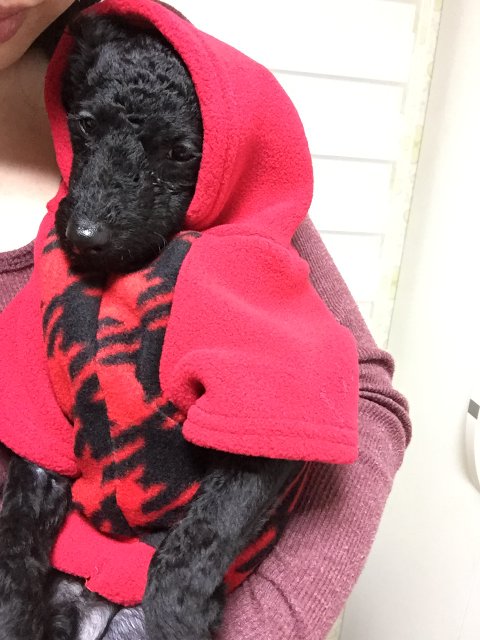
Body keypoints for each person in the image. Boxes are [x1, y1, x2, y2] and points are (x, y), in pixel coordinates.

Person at [0, 1, 411, 638]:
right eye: (87, 131)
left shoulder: (199, 107)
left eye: (173, 154)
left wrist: (189, 610)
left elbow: (356, 402)